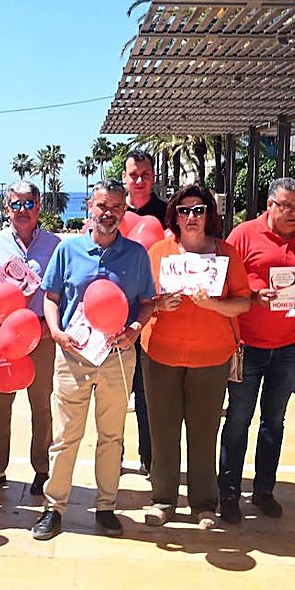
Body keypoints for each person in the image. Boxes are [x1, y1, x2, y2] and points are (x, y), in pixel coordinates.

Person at [32, 180, 156, 541]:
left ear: (124, 211)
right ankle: (53, 508)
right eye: (103, 205)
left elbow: (147, 301)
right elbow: (51, 296)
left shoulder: (135, 255)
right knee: (65, 437)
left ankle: (106, 507)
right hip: (73, 355)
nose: (109, 213)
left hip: (118, 356)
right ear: (90, 206)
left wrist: (135, 327)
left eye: (117, 207)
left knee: (112, 436)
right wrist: (55, 331)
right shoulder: (68, 251)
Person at [217, 177, 295, 524]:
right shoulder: (243, 235)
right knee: (237, 420)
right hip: (246, 346)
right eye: (287, 205)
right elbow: (223, 283)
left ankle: (264, 491)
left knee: (274, 422)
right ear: (270, 205)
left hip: (290, 347)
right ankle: (229, 492)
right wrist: (252, 294)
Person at [141, 184, 251, 528]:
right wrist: (159, 303)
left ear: (209, 215)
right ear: (174, 215)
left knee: (204, 432)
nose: (191, 216)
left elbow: (244, 302)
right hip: (161, 352)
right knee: (162, 429)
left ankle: (204, 504)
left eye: (199, 209)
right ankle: (163, 499)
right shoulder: (158, 251)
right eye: (184, 210)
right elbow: (140, 300)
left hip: (210, 355)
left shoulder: (227, 253)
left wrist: (213, 304)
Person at [0, 181, 61, 495]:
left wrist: (52, 326)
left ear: (38, 207)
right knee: (0, 405)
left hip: (40, 333)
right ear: (7, 209)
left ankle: (42, 470)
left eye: (28, 204)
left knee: (42, 406)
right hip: (1, 334)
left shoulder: (55, 245)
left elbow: (64, 288)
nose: (22, 210)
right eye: (16, 204)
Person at [123, 150, 166, 475]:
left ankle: (149, 458)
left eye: (145, 174)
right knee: (113, 392)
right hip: (112, 319)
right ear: (125, 177)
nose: (139, 180)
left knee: (148, 394)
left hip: (155, 318)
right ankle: (114, 456)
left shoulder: (168, 213)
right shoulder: (109, 211)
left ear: (153, 177)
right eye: (134, 174)